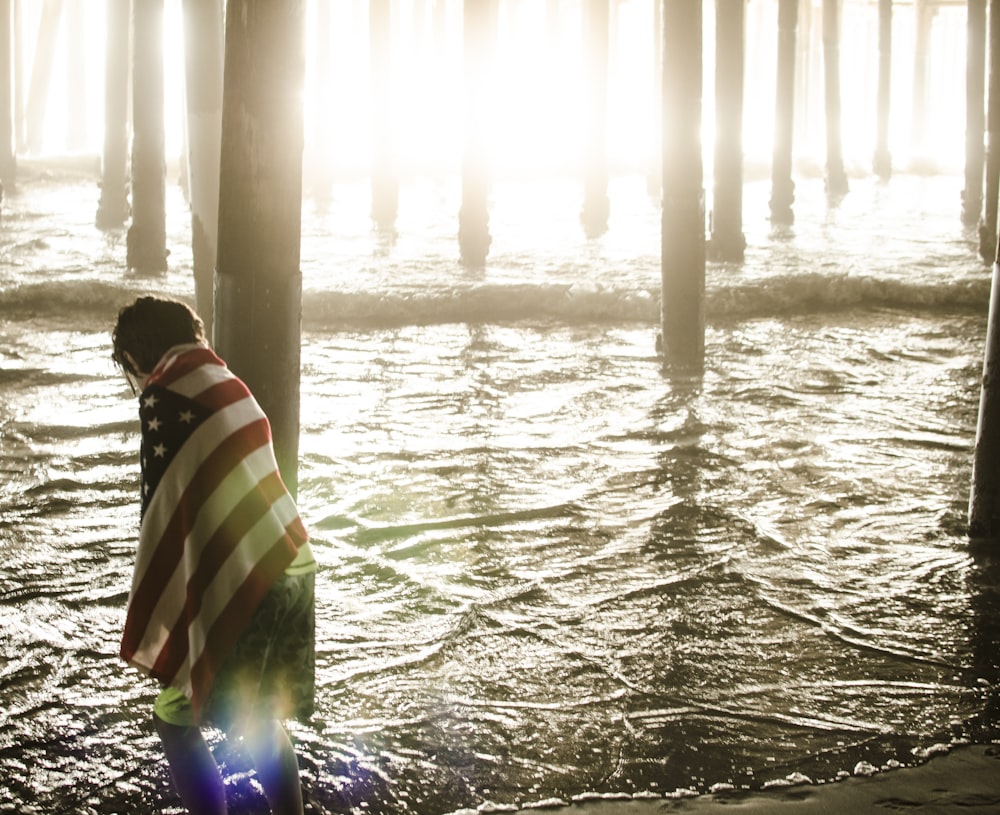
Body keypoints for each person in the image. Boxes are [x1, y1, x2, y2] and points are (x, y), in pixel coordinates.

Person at [111, 295, 316, 815]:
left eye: (130, 369)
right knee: (257, 715)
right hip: (286, 561)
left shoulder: (166, 396)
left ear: (138, 356)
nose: (135, 381)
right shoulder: (227, 383)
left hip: (247, 580)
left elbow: (162, 510)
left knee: (175, 718)